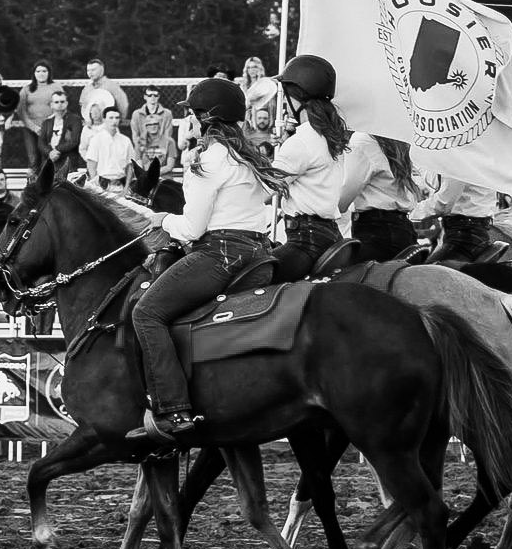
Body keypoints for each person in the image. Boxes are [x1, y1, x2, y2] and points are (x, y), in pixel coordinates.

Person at [131, 78, 290, 444]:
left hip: (219, 255)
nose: (190, 123)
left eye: (192, 116)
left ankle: (173, 408)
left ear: (205, 118)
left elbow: (191, 228)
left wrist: (159, 219)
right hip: (259, 255)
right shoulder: (251, 156)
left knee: (147, 313)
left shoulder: (207, 160)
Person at [266, 56, 353, 282]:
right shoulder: (328, 136)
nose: (284, 100)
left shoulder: (301, 142)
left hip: (305, 241)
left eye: (286, 94)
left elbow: (266, 188)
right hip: (329, 234)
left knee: (248, 279)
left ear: (297, 96)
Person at [339, 134, 421, 262]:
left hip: (375, 232)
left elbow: (344, 197)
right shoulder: (398, 141)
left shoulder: (362, 140)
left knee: (338, 276)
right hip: (404, 230)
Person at [413, 173, 502, 266]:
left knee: (426, 274)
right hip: (467, 228)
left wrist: (410, 212)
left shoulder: (455, 162)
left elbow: (444, 202)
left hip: (464, 233)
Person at [13, 61, 61, 170]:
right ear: (34, 73)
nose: (41, 73)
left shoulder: (56, 87)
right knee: (33, 159)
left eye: (44, 71)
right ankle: (33, 185)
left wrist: (49, 126)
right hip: (31, 130)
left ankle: (49, 185)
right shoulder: (26, 89)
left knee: (49, 158)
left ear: (49, 73)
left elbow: (61, 106)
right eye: (38, 71)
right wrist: (34, 128)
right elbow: (21, 111)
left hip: (51, 129)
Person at [130, 86, 174, 198]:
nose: (153, 98)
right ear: (145, 97)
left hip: (161, 152)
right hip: (144, 150)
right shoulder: (137, 114)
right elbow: (135, 135)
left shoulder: (167, 113)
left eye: (155, 95)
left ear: (159, 96)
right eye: (150, 95)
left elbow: (167, 133)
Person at [82, 107, 135, 191]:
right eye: (111, 118)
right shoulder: (96, 139)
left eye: (117, 118)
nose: (114, 121)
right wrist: (97, 187)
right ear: (104, 119)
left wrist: (126, 187)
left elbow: (130, 166)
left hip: (120, 186)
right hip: (102, 186)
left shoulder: (126, 141)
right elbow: (91, 165)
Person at [42, 91, 84, 180]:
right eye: (56, 102)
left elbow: (74, 141)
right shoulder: (47, 122)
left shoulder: (75, 119)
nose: (59, 104)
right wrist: (49, 153)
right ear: (51, 105)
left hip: (68, 164)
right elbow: (41, 143)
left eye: (62, 101)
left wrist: (57, 150)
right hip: (50, 163)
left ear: (67, 103)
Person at [78, 58, 131, 127]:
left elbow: (123, 104)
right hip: (92, 126)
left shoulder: (112, 86)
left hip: (109, 126)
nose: (90, 73)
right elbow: (83, 106)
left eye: (93, 70)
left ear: (102, 70)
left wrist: (118, 121)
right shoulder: (87, 89)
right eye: (88, 70)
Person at [236, 56, 280, 131]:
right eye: (249, 67)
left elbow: (271, 105)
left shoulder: (265, 84)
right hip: (245, 123)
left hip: (263, 121)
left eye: (254, 67)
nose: (251, 70)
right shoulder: (243, 86)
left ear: (259, 68)